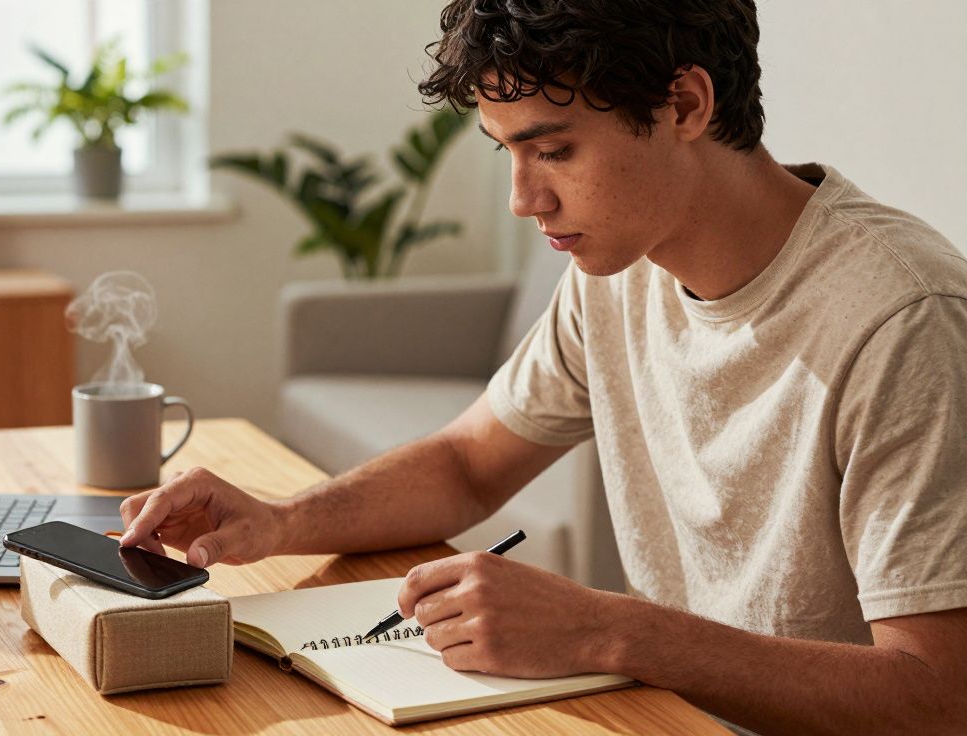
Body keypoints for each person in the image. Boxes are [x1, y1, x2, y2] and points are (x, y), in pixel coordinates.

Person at [119, 1, 967, 732]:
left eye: (553, 150)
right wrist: (278, 522)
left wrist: (610, 631)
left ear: (685, 103)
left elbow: (939, 700)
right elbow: (465, 465)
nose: (526, 199)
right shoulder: (623, 268)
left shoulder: (903, 320)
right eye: (507, 155)